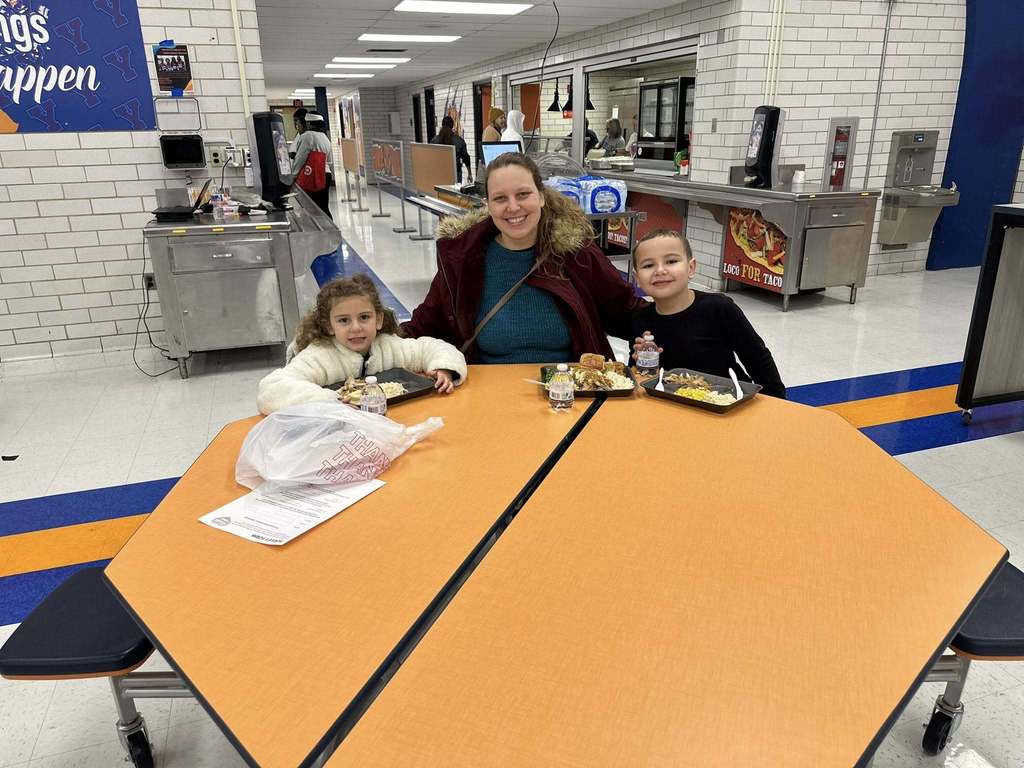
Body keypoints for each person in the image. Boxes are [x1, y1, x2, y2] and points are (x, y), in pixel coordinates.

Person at [402, 152, 646, 363]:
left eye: (522, 194)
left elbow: (626, 310)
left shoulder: (575, 253)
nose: (513, 207)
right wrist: (373, 336)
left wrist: (676, 310)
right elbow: (426, 323)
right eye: (500, 198)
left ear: (540, 196)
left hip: (568, 396)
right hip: (489, 397)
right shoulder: (462, 258)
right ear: (487, 204)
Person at [258, 275, 467, 414]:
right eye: (343, 320)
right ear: (328, 325)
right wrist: (331, 400)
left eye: (364, 317)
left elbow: (430, 348)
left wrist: (444, 368)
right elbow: (272, 389)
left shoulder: (388, 346)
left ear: (378, 320)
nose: (356, 327)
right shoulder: (319, 356)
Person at [630, 229, 785, 398]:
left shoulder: (718, 308)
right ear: (637, 278)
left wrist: (777, 404)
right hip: (674, 406)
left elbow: (758, 359)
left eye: (671, 261)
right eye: (648, 265)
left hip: (728, 401)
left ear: (691, 268)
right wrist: (641, 362)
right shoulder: (640, 319)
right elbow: (640, 376)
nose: (660, 270)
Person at [290, 112, 334, 217]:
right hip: (326, 175)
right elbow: (329, 160)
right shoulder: (325, 137)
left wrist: (293, 175)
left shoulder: (308, 135)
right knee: (323, 206)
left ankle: (320, 229)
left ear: (308, 123)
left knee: (312, 207)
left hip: (313, 176)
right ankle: (330, 229)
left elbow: (301, 157)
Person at [432, 115, 473, 183]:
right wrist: (470, 174)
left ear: (442, 125)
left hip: (439, 173)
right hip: (455, 174)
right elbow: (466, 158)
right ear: (452, 126)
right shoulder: (459, 141)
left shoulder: (434, 140)